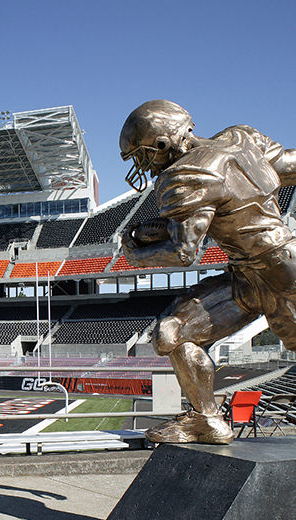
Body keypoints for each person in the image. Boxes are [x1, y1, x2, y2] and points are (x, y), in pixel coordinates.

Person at [119, 99, 296, 443]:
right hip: (249, 275)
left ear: (161, 144)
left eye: (142, 155)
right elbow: (289, 166)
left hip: (279, 274)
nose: (143, 165)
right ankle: (206, 420)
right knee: (172, 333)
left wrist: (135, 256)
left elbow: (183, 251)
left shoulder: (183, 175)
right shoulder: (242, 139)